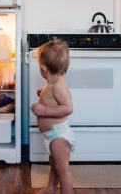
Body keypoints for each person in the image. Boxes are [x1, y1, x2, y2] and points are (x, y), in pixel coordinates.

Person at [31, 40, 74, 194]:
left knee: (63, 170)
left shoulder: (57, 86)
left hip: (59, 135)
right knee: (55, 164)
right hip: (52, 134)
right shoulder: (51, 82)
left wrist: (43, 110)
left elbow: (68, 108)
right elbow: (53, 98)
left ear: (43, 69)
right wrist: (41, 94)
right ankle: (51, 188)